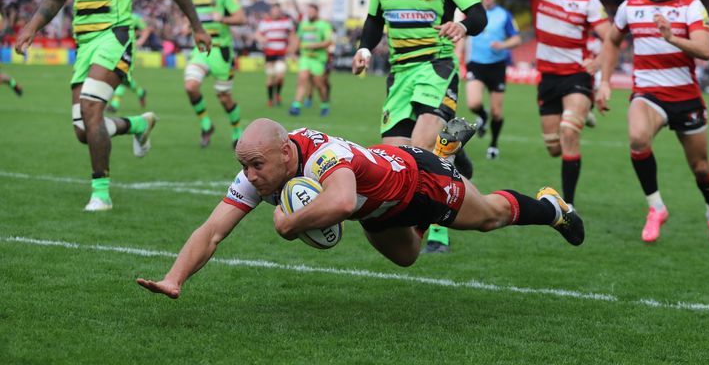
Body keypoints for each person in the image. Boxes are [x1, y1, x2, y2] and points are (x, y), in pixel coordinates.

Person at [136, 118, 584, 299]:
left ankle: (552, 208)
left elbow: (342, 201)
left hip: (418, 181)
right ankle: (446, 149)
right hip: (379, 209)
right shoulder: (259, 171)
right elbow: (212, 230)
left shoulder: (324, 154)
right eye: (245, 167)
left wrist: (289, 223)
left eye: (256, 166)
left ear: (285, 155)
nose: (250, 176)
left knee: (489, 217)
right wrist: (174, 279)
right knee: (408, 256)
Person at [15, 0, 211, 211]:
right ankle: (138, 125)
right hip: (84, 44)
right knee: (83, 130)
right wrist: (31, 27)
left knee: (91, 109)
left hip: (115, 38)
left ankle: (101, 194)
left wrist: (197, 26)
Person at [351, 0, 488, 253]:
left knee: (424, 148)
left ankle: (436, 228)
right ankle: (455, 155)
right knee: (395, 164)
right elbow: (373, 20)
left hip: (437, 67)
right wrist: (365, 51)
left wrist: (463, 26)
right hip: (399, 75)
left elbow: (479, 14)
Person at [596, 0, 709, 244]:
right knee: (638, 138)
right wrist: (604, 81)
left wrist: (671, 37)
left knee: (702, 169)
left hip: (685, 97)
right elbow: (612, 41)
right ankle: (656, 207)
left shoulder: (691, 6)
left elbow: (706, 50)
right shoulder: (631, 6)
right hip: (647, 93)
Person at [499, 0, 611, 207]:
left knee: (569, 132)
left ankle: (569, 205)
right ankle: (584, 114)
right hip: (548, 78)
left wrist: (598, 62)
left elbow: (611, 36)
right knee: (553, 147)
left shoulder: (588, 0)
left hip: (576, 76)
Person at [184, 0, 246, 149]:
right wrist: (187, 26)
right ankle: (206, 125)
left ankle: (237, 131)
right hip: (201, 50)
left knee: (224, 97)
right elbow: (190, 18)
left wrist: (224, 19)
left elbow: (241, 18)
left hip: (221, 51)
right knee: (191, 87)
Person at [462, 0, 522, 160]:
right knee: (473, 103)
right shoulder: (472, 14)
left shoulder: (504, 15)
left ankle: (493, 145)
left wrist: (503, 45)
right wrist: (458, 55)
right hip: (476, 64)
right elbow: (462, 35)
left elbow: (517, 38)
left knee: (497, 111)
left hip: (497, 66)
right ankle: (482, 115)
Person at [289, 4, 333, 117]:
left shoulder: (324, 25)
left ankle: (324, 104)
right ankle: (296, 106)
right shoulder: (303, 24)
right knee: (302, 79)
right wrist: (293, 52)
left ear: (317, 12)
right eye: (308, 12)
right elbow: (298, 39)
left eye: (312, 12)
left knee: (319, 84)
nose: (310, 14)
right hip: (305, 58)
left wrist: (315, 45)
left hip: (318, 59)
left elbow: (328, 41)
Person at [108, 12, 151, 112]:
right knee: (123, 78)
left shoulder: (134, 17)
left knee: (121, 76)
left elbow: (146, 30)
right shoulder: (114, 15)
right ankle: (141, 92)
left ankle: (114, 105)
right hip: (116, 49)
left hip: (128, 50)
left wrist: (140, 41)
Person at [256, 3, 294, 107]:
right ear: (271, 11)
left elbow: (292, 35)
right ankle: (270, 99)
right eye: (274, 10)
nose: (275, 12)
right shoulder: (264, 22)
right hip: (269, 53)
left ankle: (277, 94)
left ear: (280, 11)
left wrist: (292, 48)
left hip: (281, 53)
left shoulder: (286, 22)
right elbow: (258, 34)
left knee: (280, 76)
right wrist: (261, 38)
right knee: (270, 77)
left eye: (277, 10)